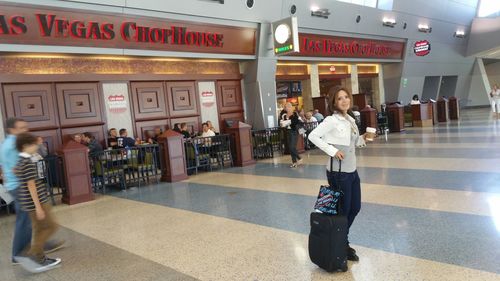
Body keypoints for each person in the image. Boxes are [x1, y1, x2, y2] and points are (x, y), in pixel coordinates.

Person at [308, 86, 370, 262]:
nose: (344, 101)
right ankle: (341, 242)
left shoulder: (350, 119)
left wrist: (364, 138)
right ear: (334, 103)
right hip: (338, 172)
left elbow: (354, 142)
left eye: (346, 97)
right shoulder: (331, 120)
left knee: (355, 207)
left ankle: (340, 238)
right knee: (342, 211)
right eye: (340, 98)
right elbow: (313, 136)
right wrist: (332, 151)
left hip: (352, 170)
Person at [0, 118, 63, 266]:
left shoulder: (7, 144)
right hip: (20, 187)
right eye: (21, 128)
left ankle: (39, 244)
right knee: (26, 220)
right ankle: (22, 253)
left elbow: (10, 167)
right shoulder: (12, 146)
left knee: (32, 220)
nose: (25, 130)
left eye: (25, 127)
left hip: (16, 185)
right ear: (11, 130)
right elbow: (24, 175)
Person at [13, 133, 61, 272]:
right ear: (25, 146)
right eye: (34, 144)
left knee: (39, 229)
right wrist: (38, 207)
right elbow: (31, 185)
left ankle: (39, 257)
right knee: (51, 227)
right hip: (37, 202)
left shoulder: (20, 160)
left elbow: (17, 173)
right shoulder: (27, 162)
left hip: (27, 203)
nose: (36, 146)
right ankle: (33, 253)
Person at [280, 102, 303, 168]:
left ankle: (299, 158)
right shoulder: (284, 115)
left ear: (291, 107)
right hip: (288, 132)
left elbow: (295, 122)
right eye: (286, 107)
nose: (287, 108)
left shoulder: (295, 113)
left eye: (288, 106)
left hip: (294, 132)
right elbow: (282, 123)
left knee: (292, 147)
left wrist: (287, 122)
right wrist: (287, 123)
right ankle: (294, 162)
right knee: (290, 148)